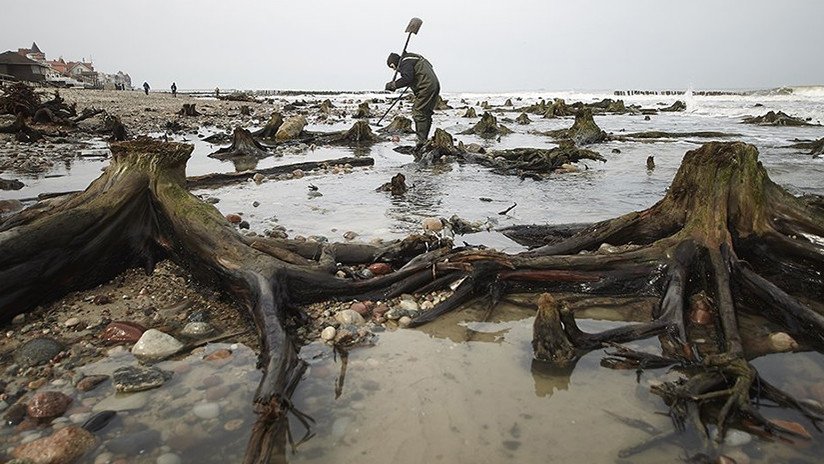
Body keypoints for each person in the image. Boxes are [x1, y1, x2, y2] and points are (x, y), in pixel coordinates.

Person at [384, 51, 440, 149]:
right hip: (433, 85)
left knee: (418, 112)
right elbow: (414, 75)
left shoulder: (405, 61)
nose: (395, 70)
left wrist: (393, 85)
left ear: (393, 64)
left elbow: (407, 78)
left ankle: (421, 141)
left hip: (425, 87)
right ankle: (423, 139)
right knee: (426, 112)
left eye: (393, 68)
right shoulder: (412, 57)